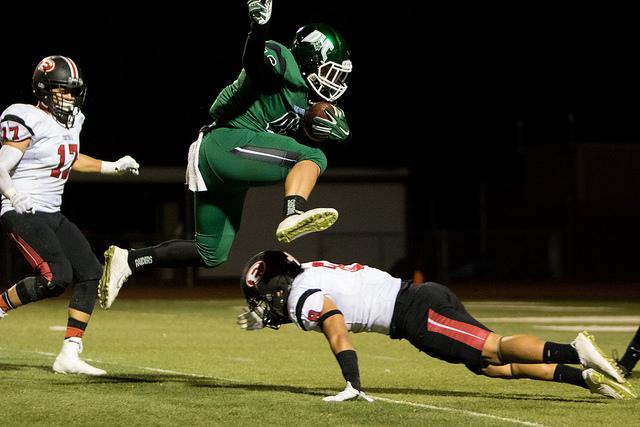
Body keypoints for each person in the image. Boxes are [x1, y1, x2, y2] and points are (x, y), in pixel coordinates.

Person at [98, 0, 353, 310]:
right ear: (309, 60)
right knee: (313, 158)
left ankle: (129, 261)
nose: (334, 82)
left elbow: (299, 121)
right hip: (225, 144)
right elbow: (254, 62)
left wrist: (329, 126)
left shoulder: (303, 95)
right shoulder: (282, 61)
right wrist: (258, 30)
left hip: (224, 158)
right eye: (330, 72)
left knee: (211, 253)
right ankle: (293, 213)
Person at [237, 250, 637, 401]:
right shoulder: (308, 271)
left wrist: (353, 383)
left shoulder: (301, 295)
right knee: (488, 365)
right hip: (417, 303)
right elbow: (322, 301)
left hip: (414, 313)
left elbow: (336, 326)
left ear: (278, 287)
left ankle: (573, 349)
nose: (266, 307)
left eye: (265, 297)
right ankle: (581, 377)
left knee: (492, 347)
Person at [0, 55, 140, 375]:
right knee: (57, 277)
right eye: (64, 90)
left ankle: (69, 354)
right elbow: (1, 167)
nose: (71, 97)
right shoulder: (24, 116)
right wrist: (13, 194)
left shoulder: (72, 121)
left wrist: (111, 166)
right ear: (44, 89)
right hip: (22, 209)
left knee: (90, 271)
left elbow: (71, 158)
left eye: (74, 91)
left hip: (52, 213)